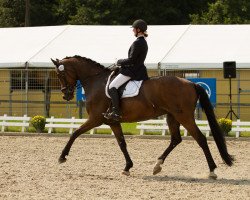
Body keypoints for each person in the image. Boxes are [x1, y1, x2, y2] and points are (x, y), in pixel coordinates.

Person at [105, 19, 149, 121]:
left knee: (112, 87)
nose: (132, 30)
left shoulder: (138, 43)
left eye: (134, 29)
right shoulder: (143, 42)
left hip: (132, 71)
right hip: (138, 69)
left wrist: (119, 62)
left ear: (138, 30)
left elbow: (132, 59)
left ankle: (116, 111)